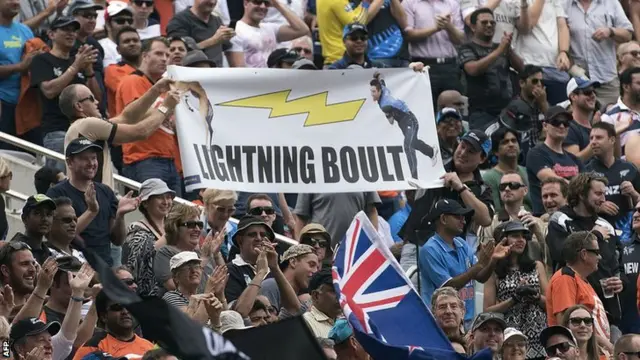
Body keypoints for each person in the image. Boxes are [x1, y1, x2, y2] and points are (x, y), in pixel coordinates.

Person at [46, 137, 140, 265]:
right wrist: (91, 211)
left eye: (94, 158)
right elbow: (60, 236)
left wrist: (120, 216)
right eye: (85, 159)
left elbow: (117, 240)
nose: (91, 163)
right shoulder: (57, 193)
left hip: (105, 268)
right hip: (74, 267)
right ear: (70, 162)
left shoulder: (105, 191)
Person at [419, 199, 508, 330]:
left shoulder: (461, 243)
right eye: (458, 216)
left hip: (466, 317)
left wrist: (493, 259)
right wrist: (479, 264)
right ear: (443, 219)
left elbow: (481, 277)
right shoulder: (430, 249)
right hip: (442, 321)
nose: (464, 221)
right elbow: (449, 287)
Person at [483, 221, 548, 359]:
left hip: (538, 335)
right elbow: (487, 311)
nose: (521, 240)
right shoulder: (494, 271)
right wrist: (514, 299)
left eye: (524, 236)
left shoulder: (536, 266)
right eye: (515, 236)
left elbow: (550, 304)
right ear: (504, 239)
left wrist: (535, 296)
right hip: (511, 338)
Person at [545, 231, 614, 354]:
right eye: (597, 252)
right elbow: (567, 324)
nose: (600, 257)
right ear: (584, 254)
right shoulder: (565, 279)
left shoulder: (581, 279)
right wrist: (607, 345)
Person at [369, 71, 437, 179]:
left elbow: (391, 122)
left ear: (379, 91)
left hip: (410, 120)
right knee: (413, 142)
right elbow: (382, 79)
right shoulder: (384, 90)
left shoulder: (385, 105)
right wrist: (377, 77)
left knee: (408, 146)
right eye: (371, 91)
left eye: (373, 91)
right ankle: (432, 152)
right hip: (403, 123)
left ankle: (414, 177)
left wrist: (388, 114)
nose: (371, 94)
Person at [122, 178, 175, 297]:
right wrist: (169, 234)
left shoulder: (172, 226)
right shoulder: (136, 229)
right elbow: (137, 263)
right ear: (145, 203)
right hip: (149, 297)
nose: (166, 202)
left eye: (168, 197)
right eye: (160, 197)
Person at [73, 291, 154, 360]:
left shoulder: (149, 346)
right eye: (117, 307)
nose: (125, 311)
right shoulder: (92, 347)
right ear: (104, 316)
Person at [259, 244, 318, 311]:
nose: (315, 271)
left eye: (317, 268)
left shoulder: (303, 297)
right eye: (311, 265)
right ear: (293, 262)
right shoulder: (271, 285)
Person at [9, 194, 56, 264]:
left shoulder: (48, 252)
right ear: (24, 218)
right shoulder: (14, 250)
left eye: (49, 214)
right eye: (38, 213)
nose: (45, 219)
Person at [303, 269, 341, 338]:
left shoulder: (349, 321)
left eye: (341, 290)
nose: (340, 296)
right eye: (334, 291)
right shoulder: (306, 324)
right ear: (316, 296)